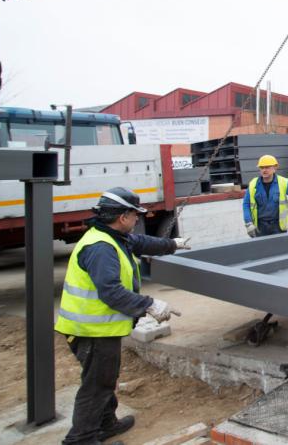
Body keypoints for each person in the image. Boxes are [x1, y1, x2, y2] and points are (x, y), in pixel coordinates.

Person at [55, 187, 190, 445]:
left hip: (98, 328)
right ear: (122, 217)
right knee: (97, 385)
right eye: (134, 215)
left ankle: (106, 424)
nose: (137, 219)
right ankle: (80, 439)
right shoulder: (101, 248)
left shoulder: (112, 236)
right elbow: (111, 293)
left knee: (105, 377)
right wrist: (149, 304)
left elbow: (142, 243)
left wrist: (172, 244)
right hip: (91, 331)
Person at [243, 155, 288, 237]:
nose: (264, 170)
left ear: (275, 168)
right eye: (262, 167)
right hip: (260, 227)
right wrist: (248, 223)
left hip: (278, 227)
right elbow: (246, 204)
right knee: (263, 249)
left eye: (267, 167)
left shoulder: (283, 182)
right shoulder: (253, 184)